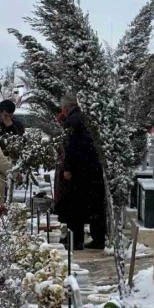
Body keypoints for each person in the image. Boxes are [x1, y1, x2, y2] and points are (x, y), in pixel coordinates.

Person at [54, 94, 106, 250]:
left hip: (78, 169)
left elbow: (70, 147)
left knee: (74, 204)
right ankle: (99, 238)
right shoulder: (87, 119)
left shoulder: (71, 122)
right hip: (94, 167)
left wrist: (68, 168)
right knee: (95, 205)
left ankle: (75, 239)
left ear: (66, 108)